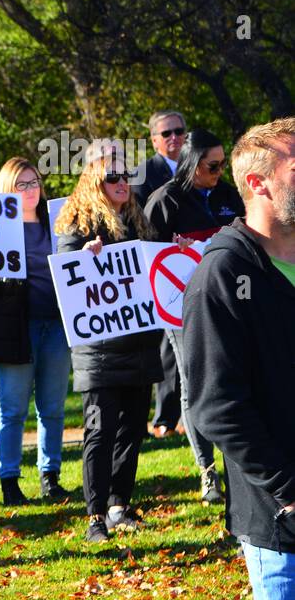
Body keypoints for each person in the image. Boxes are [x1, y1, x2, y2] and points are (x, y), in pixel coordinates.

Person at [184, 116, 295, 600]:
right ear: (258, 182)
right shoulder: (223, 273)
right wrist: (287, 492)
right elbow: (216, 404)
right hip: (280, 511)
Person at [56, 140, 162, 543]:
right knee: (99, 434)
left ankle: (120, 505)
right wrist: (82, 258)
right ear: (93, 181)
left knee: (132, 430)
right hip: (98, 352)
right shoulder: (76, 226)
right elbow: (64, 279)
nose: (121, 182)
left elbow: (155, 268)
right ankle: (95, 516)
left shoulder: (140, 223)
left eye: (126, 176)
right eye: (111, 176)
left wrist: (176, 253)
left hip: (139, 345)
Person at [146, 130, 244, 505]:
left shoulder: (226, 195)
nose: (219, 172)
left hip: (231, 302)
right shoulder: (164, 201)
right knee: (193, 381)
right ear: (192, 163)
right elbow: (148, 260)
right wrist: (173, 250)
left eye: (222, 164)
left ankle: (235, 463)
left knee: (231, 379)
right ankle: (207, 471)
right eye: (212, 165)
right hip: (182, 311)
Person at [0, 158, 71, 505]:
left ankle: (50, 477)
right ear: (6, 190)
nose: (29, 190)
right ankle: (9, 481)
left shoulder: (58, 221)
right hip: (14, 328)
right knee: (12, 409)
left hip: (57, 324)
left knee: (53, 407)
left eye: (33, 182)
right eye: (20, 185)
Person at [136, 110, 189, 438]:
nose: (174, 138)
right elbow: (138, 223)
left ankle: (188, 415)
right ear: (154, 140)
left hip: (193, 267)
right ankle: (165, 418)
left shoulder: (197, 168)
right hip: (159, 270)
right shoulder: (143, 175)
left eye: (179, 131)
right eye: (166, 133)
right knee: (166, 348)